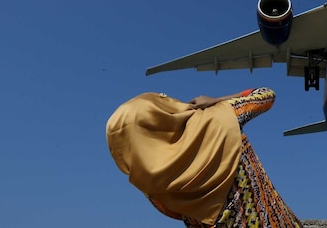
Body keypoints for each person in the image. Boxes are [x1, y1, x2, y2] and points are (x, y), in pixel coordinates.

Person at [106, 87, 301, 228]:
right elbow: (265, 95)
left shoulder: (149, 182)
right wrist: (217, 100)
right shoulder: (219, 118)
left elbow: (172, 212)